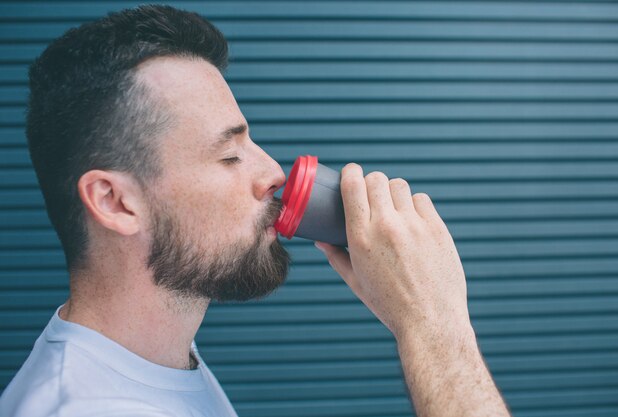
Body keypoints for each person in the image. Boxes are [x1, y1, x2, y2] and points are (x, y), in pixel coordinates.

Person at [0, 5, 511, 417]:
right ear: (116, 202)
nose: (275, 174)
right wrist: (434, 326)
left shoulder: (155, 361)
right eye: (229, 155)